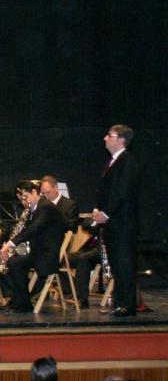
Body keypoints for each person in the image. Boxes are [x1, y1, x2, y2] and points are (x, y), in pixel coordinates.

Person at [92, 124, 141, 317]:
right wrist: (99, 210)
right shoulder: (113, 161)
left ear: (121, 140)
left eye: (110, 135)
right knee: (116, 265)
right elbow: (107, 191)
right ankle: (120, 302)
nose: (105, 138)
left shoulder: (128, 161)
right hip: (114, 223)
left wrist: (107, 213)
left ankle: (128, 305)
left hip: (123, 223)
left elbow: (122, 191)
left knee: (124, 264)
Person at [0, 181, 65, 313]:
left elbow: (34, 229)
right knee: (10, 261)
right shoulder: (33, 209)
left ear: (35, 192)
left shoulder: (45, 207)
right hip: (37, 252)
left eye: (25, 196)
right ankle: (18, 300)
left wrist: (10, 245)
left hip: (47, 255)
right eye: (21, 198)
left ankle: (24, 303)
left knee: (15, 263)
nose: (24, 201)